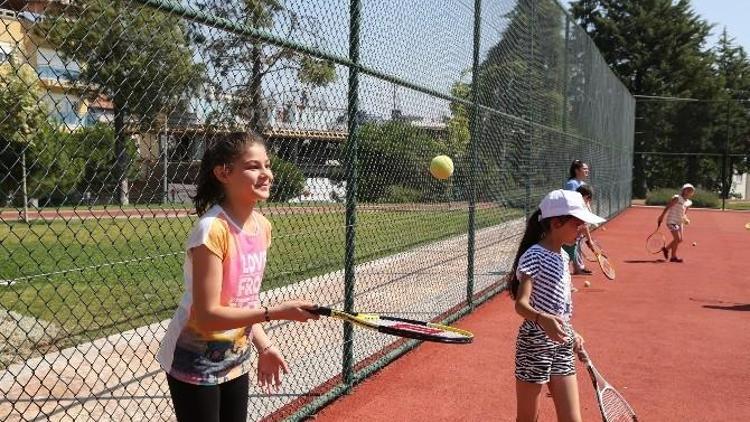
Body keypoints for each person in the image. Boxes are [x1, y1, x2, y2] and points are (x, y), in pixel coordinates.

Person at [157, 132, 319, 422]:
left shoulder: (263, 227)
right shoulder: (212, 229)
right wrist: (277, 312)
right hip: (194, 361)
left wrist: (264, 345)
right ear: (224, 173)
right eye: (253, 166)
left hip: (235, 357)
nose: (266, 174)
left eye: (267, 165)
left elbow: (245, 300)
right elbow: (207, 316)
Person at [509, 189, 606, 422]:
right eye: (577, 224)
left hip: (561, 342)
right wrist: (543, 321)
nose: (582, 229)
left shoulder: (564, 256)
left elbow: (559, 308)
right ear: (556, 222)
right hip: (535, 342)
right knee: (528, 418)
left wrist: (572, 332)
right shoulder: (534, 255)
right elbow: (521, 305)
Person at [562, 160, 591, 275]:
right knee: (571, 242)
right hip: (573, 218)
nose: (587, 171)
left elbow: (587, 202)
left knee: (577, 242)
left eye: (587, 169)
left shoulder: (583, 184)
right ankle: (575, 267)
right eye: (584, 169)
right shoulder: (572, 184)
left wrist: (589, 214)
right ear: (576, 170)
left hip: (581, 217)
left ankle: (578, 266)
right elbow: (572, 202)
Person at [657, 183, 695, 263]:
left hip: (679, 222)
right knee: (677, 239)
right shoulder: (677, 198)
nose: (689, 191)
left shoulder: (689, 202)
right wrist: (661, 216)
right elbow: (668, 207)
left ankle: (666, 249)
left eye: (691, 190)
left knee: (680, 240)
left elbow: (684, 213)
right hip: (671, 221)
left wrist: (685, 219)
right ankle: (673, 257)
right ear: (683, 190)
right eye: (687, 189)